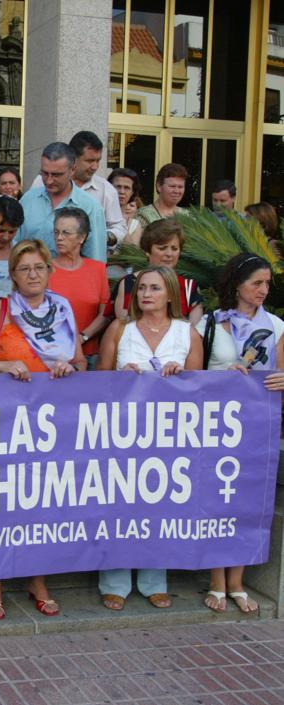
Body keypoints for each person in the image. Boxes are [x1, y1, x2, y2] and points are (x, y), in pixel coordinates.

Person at [0, 239, 86, 619]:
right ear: (13, 276)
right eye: (24, 269)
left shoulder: (64, 309)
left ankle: (36, 578)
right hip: (4, 422)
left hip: (52, 423)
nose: (33, 274)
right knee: (0, 503)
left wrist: (70, 367)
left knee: (41, 503)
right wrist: (3, 367)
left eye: (39, 267)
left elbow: (81, 362)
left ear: (49, 270)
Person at [97, 266, 203, 611]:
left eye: (154, 288)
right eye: (141, 287)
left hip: (169, 437)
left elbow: (200, 389)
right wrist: (119, 377)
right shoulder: (120, 328)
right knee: (120, 506)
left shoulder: (188, 334)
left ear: (170, 294)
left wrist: (179, 378)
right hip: (123, 433)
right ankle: (114, 581)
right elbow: (98, 384)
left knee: (160, 507)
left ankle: (154, 580)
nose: (145, 294)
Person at [196, 253, 284, 615]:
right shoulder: (209, 324)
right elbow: (193, 375)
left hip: (258, 425)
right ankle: (216, 580)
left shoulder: (277, 326)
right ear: (237, 285)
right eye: (256, 283)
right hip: (218, 425)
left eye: (266, 284)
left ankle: (237, 581)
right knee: (217, 499)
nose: (263, 290)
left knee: (250, 502)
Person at [16, 142, 107, 262]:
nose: (48, 181)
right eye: (44, 173)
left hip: (71, 279)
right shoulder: (28, 200)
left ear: (72, 170)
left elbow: (95, 259)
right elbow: (15, 246)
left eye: (56, 175)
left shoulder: (90, 207)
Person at [47, 207, 111, 366]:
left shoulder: (98, 269)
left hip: (89, 353)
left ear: (82, 237)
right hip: (52, 355)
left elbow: (105, 314)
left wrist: (82, 337)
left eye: (66, 233)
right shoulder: (44, 270)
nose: (59, 238)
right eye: (56, 232)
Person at [113, 219, 203, 325]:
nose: (169, 254)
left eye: (174, 249)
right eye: (162, 248)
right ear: (147, 250)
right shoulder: (129, 283)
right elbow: (122, 327)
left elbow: (193, 331)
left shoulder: (189, 287)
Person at [68, 131, 126, 246]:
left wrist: (106, 237)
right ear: (73, 158)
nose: (95, 167)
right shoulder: (47, 182)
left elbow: (119, 228)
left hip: (92, 259)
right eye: (89, 161)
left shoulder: (106, 189)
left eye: (98, 161)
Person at [136, 163, 187, 229]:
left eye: (180, 187)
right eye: (172, 186)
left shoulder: (188, 216)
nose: (176, 191)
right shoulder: (142, 216)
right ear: (159, 186)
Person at [108, 167, 142, 247]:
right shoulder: (98, 214)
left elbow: (132, 253)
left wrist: (123, 223)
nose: (122, 192)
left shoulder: (134, 224)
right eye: (118, 187)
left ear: (132, 192)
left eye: (127, 188)